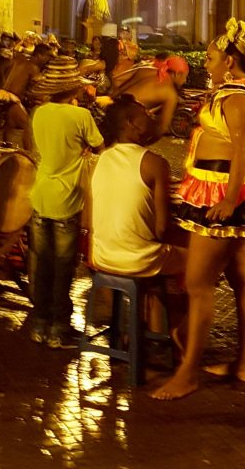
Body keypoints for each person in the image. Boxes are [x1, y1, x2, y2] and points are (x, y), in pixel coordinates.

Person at [151, 18, 245, 400]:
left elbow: (244, 149)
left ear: (229, 59)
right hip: (218, 186)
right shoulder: (234, 90)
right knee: (242, 279)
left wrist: (228, 197)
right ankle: (243, 364)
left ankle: (188, 372)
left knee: (199, 285)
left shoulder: (239, 95)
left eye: (210, 57)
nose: (205, 63)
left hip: (221, 190)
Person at [90, 94, 189, 343]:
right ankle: (179, 342)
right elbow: (161, 229)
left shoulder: (101, 160)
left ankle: (142, 328)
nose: (152, 117)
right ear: (132, 123)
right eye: (145, 114)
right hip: (137, 261)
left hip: (102, 255)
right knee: (195, 264)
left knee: (155, 250)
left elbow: (89, 218)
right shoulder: (154, 163)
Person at [28, 56, 103, 348]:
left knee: (42, 265)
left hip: (40, 194)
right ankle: (59, 329)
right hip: (66, 200)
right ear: (73, 90)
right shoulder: (80, 116)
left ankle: (39, 324)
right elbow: (99, 144)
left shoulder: (39, 112)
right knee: (63, 268)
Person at [110, 54, 190, 138]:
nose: (184, 81)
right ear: (177, 74)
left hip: (113, 108)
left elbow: (117, 82)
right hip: (127, 121)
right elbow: (162, 128)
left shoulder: (146, 70)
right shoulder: (171, 94)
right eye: (185, 77)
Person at [0, 41, 52, 148]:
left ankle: (6, 147)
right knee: (28, 127)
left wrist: (1, 86)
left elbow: (0, 69)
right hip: (12, 98)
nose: (47, 59)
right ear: (39, 55)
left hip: (1, 95)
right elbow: (36, 90)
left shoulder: (19, 58)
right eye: (47, 56)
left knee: (10, 123)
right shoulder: (33, 67)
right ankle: (28, 154)